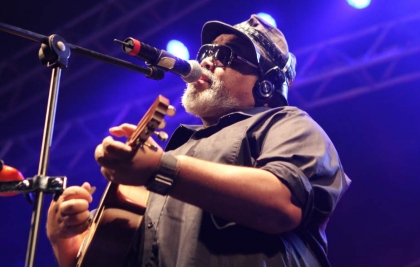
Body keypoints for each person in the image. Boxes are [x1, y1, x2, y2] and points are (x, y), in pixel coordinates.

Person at [46, 14, 351, 267]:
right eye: (207, 52)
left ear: (268, 85)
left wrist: (159, 169)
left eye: (227, 55)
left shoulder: (288, 123)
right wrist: (65, 241)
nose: (206, 61)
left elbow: (282, 204)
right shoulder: (175, 153)